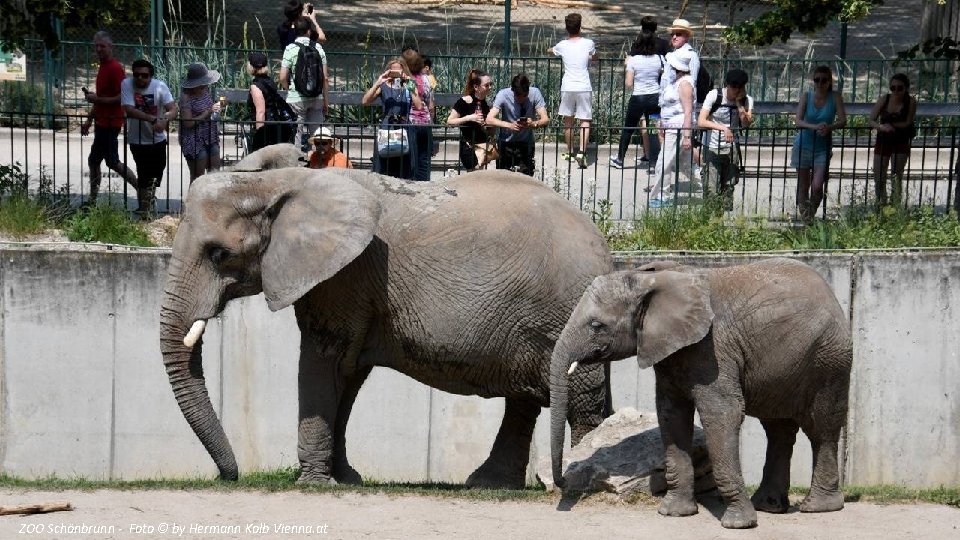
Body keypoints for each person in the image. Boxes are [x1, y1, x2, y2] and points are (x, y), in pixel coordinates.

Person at [80, 31, 138, 206]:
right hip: (102, 121)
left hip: (111, 121)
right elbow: (101, 98)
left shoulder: (114, 68)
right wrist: (90, 120)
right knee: (96, 160)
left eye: (102, 46)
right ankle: (92, 200)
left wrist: (97, 100)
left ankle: (142, 191)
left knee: (111, 162)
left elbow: (123, 97)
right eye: (96, 46)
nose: (98, 49)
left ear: (111, 47)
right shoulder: (103, 67)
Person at [120, 59, 177, 216]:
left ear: (150, 76)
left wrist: (164, 119)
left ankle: (148, 201)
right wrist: (152, 119)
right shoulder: (127, 84)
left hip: (157, 138)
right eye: (136, 75)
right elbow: (129, 110)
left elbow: (173, 109)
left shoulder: (160, 86)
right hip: (137, 139)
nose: (139, 79)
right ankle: (144, 209)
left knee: (157, 173)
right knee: (143, 173)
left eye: (144, 75)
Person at [791, 65, 847, 222]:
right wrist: (814, 127)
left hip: (822, 147)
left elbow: (843, 120)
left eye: (824, 80)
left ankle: (810, 212)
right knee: (803, 185)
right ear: (813, 81)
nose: (820, 83)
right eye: (817, 80)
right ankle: (806, 220)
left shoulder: (835, 97)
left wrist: (830, 127)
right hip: (803, 145)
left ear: (829, 82)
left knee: (817, 186)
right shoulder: (806, 96)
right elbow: (798, 121)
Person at [697, 68, 754, 214]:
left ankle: (719, 222)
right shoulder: (715, 95)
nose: (736, 89)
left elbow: (747, 123)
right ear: (727, 85)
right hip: (712, 146)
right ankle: (709, 222)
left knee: (728, 187)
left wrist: (739, 104)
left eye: (740, 87)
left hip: (732, 149)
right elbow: (701, 121)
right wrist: (723, 128)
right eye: (733, 86)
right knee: (711, 187)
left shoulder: (747, 100)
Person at [361, 57, 424, 179]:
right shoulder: (383, 85)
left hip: (404, 125)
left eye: (398, 71)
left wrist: (409, 83)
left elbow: (419, 105)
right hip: (387, 125)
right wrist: (378, 82)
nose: (396, 74)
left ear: (403, 70)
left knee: (405, 162)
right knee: (385, 159)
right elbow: (365, 101)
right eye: (393, 70)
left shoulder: (409, 85)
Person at [548, 13, 596, 169]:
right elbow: (594, 56)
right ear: (580, 26)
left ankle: (569, 151)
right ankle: (581, 152)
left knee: (568, 120)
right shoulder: (588, 43)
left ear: (566, 27)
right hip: (583, 85)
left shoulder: (562, 45)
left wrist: (550, 50)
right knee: (585, 120)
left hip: (568, 85)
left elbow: (551, 50)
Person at [649, 50, 696, 209]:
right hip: (671, 127)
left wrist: (687, 136)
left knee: (663, 163)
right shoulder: (675, 81)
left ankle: (662, 196)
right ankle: (707, 186)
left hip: (678, 129)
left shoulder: (684, 85)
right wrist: (662, 123)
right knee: (684, 164)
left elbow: (688, 111)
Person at [610, 31, 663, 169]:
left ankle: (620, 159)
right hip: (654, 97)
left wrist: (628, 66)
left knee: (628, 127)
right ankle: (653, 163)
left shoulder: (633, 60)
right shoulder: (659, 58)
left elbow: (628, 83)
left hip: (639, 97)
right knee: (652, 129)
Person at [280, 17, 330, 151]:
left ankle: (297, 164)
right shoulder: (318, 47)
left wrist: (288, 88)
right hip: (317, 97)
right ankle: (317, 162)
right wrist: (326, 100)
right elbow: (325, 78)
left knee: (296, 135)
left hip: (297, 98)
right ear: (309, 31)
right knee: (317, 137)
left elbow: (283, 76)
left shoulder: (290, 49)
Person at [486, 73, 549, 176]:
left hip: (526, 143)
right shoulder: (503, 94)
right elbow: (489, 119)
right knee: (503, 178)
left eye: (524, 95)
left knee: (526, 178)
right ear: (513, 91)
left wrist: (533, 124)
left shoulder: (535, 93)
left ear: (528, 91)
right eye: (518, 95)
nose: (521, 99)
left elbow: (545, 119)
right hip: (506, 142)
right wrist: (509, 125)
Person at [869, 73, 916, 207]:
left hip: (901, 139)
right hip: (883, 139)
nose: (896, 91)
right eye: (893, 88)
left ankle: (895, 205)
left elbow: (908, 122)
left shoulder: (910, 102)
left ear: (906, 88)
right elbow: (871, 119)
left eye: (899, 88)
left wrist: (893, 126)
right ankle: (881, 204)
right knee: (879, 174)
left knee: (896, 176)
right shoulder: (885, 99)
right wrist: (881, 127)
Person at [179, 62, 223, 182]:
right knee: (197, 179)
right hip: (194, 140)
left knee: (215, 175)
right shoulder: (186, 98)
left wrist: (217, 106)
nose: (205, 86)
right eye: (202, 85)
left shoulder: (205, 91)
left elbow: (208, 108)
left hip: (210, 136)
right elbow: (188, 123)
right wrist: (207, 112)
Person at [446, 68, 495, 172]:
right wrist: (469, 117)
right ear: (476, 87)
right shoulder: (465, 101)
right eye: (487, 85)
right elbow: (450, 121)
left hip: (483, 147)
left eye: (491, 84)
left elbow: (490, 130)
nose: (490, 87)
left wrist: (490, 125)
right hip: (469, 147)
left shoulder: (487, 104)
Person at [246, 51, 295, 153]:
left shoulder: (256, 86)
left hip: (266, 129)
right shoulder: (269, 81)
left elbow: (261, 112)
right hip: (275, 125)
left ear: (251, 66)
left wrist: (259, 137)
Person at [403, 48, 435, 180]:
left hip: (411, 122)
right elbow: (431, 105)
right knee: (424, 158)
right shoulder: (428, 79)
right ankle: (425, 183)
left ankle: (413, 183)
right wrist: (431, 121)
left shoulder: (406, 81)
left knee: (412, 157)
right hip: (426, 122)